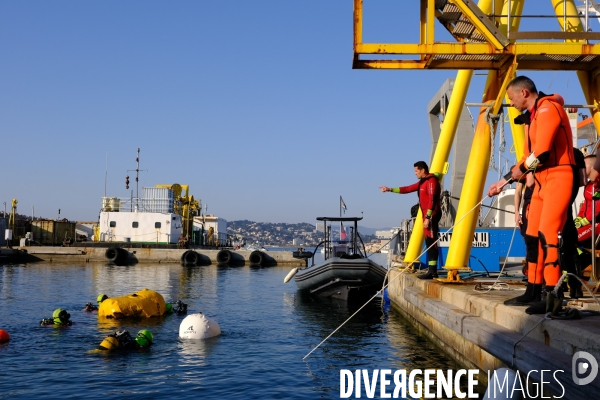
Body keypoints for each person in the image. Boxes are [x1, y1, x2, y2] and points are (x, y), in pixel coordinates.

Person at [488, 76, 575, 315]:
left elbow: (542, 153)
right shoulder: (533, 116)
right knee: (531, 235)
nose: (511, 102)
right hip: (540, 181)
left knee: (548, 235)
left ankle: (554, 297)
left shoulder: (548, 109)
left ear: (524, 92)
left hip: (558, 176)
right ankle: (533, 289)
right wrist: (503, 181)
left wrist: (511, 176)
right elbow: (527, 158)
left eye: (511, 97)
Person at [380, 161, 441, 279]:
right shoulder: (422, 182)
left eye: (416, 171)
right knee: (429, 241)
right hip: (425, 215)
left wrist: (428, 218)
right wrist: (389, 189)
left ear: (423, 170)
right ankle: (431, 270)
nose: (415, 173)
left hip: (431, 215)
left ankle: (433, 271)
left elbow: (432, 200)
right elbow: (407, 189)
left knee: (432, 241)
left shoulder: (431, 181)